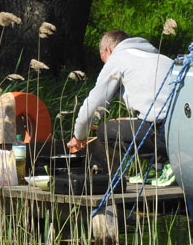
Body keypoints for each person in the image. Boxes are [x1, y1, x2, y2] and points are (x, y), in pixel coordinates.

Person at [66, 30, 175, 186]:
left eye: (104, 60)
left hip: (166, 132)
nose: (105, 65)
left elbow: (94, 105)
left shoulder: (118, 59)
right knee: (128, 124)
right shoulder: (161, 58)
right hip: (184, 127)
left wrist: (79, 136)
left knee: (105, 131)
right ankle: (158, 167)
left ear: (108, 50)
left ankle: (171, 163)